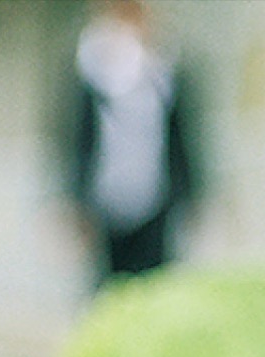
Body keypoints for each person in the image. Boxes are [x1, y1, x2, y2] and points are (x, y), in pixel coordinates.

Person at [69, 0, 201, 283]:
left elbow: (181, 140)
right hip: (105, 200)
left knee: (155, 282)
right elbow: (78, 142)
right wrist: (76, 201)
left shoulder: (165, 69)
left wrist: (192, 195)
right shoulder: (89, 68)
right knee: (108, 286)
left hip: (155, 198)